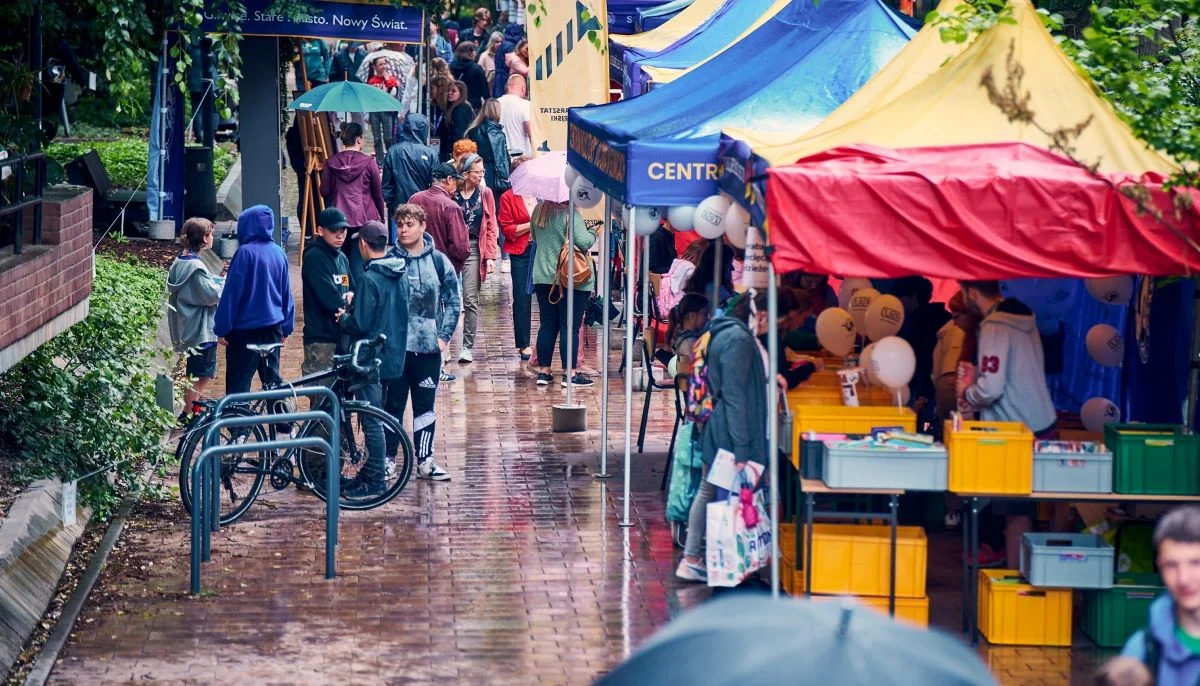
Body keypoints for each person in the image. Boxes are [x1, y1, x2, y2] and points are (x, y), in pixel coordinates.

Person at [958, 279, 1056, 564]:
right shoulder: (1025, 318)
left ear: (972, 293)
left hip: (1015, 431)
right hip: (1042, 422)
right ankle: (1025, 578)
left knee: (1015, 512)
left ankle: (1016, 587)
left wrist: (968, 393)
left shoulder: (994, 326)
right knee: (1029, 511)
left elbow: (991, 387)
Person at [676, 290, 771, 582]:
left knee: (710, 491)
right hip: (728, 434)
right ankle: (709, 558)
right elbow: (734, 396)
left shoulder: (726, 333)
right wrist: (742, 448)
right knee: (716, 494)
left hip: (720, 429)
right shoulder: (738, 340)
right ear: (762, 315)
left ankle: (696, 557)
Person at [387, 204, 463, 481]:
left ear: (423, 226)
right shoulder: (388, 259)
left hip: (428, 348)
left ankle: (425, 460)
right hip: (395, 349)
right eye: (400, 224)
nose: (404, 229)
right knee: (392, 405)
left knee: (425, 407)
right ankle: (388, 459)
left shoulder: (439, 261)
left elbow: (454, 301)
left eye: (409, 224)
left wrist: (443, 337)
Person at [334, 221, 402, 497]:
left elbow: (361, 322)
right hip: (392, 353)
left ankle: (375, 479)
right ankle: (370, 472)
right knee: (378, 414)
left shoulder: (368, 277)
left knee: (371, 418)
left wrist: (345, 317)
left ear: (362, 244)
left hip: (369, 355)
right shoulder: (398, 271)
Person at [214, 205, 294, 395]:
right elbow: (286, 294)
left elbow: (232, 295)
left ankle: (240, 424)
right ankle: (283, 423)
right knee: (273, 381)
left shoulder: (244, 253)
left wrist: (222, 327)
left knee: (239, 383)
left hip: (244, 330)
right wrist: (286, 327)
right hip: (273, 327)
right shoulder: (278, 253)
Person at [1120, 506, 1200, 683]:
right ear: (1160, 567)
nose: (1184, 578)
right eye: (1171, 565)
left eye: (1196, 563)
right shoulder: (1142, 651)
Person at [530, 199, 596, 387]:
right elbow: (583, 242)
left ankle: (544, 372)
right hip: (570, 278)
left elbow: (535, 238)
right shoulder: (570, 214)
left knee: (547, 324)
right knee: (570, 326)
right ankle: (570, 374)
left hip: (543, 276)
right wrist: (593, 231)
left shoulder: (538, 212)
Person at [167, 218, 224, 424]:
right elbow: (211, 295)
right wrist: (225, 285)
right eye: (210, 234)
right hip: (202, 330)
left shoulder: (180, 261)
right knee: (200, 377)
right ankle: (191, 416)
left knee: (195, 373)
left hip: (188, 326)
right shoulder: (196, 267)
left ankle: (192, 412)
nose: (213, 238)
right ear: (203, 239)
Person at [321, 122, 386, 281]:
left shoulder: (331, 162)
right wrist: (381, 219)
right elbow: (378, 194)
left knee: (340, 260)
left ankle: (344, 291)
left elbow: (324, 191)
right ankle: (358, 296)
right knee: (359, 261)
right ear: (359, 139)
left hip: (338, 220)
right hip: (363, 218)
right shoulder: (369, 163)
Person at [452, 153, 499, 364]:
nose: (480, 175)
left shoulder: (485, 193)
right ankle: (443, 345)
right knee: (448, 298)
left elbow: (490, 226)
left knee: (470, 299)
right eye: (476, 172)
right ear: (465, 173)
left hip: (474, 246)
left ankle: (467, 347)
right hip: (452, 247)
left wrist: (489, 256)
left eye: (482, 172)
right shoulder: (452, 192)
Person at [301, 207, 352, 378]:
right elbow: (329, 298)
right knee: (323, 397)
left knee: (342, 395)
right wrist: (347, 308)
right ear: (320, 230)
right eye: (334, 231)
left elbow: (353, 289)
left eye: (343, 230)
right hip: (321, 339)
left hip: (342, 336)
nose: (340, 235)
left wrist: (350, 304)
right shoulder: (314, 257)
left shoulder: (342, 257)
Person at [893, 276, 951, 426]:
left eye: (902, 297)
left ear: (913, 296)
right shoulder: (947, 319)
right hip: (942, 385)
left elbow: (916, 357)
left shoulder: (913, 322)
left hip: (920, 386)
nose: (899, 302)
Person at [498, 155, 535, 361]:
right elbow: (508, 229)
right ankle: (523, 343)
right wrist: (532, 224)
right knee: (522, 297)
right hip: (521, 252)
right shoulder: (508, 197)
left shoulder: (541, 195)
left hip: (541, 250)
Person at [409, 163, 470, 274]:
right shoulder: (451, 206)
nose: (456, 186)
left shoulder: (414, 198)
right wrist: (455, 267)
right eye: (455, 181)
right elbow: (460, 248)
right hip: (444, 268)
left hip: (417, 265)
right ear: (449, 179)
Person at [382, 112, 437, 233]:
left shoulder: (393, 151)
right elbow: (435, 186)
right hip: (422, 208)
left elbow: (387, 184)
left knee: (401, 243)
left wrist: (391, 206)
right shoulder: (431, 154)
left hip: (399, 207)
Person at [466, 99, 512, 193]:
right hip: (493, 173)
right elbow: (501, 159)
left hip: (476, 170)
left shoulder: (473, 131)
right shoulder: (498, 134)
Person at [366, 57, 402, 164]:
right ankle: (380, 162)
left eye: (384, 64)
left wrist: (386, 79)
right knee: (376, 138)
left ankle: (391, 159)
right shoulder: (372, 81)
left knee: (388, 137)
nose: (383, 67)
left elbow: (394, 91)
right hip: (375, 111)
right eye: (380, 64)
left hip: (387, 110)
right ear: (375, 67)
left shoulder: (391, 79)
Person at [665, 292, 709, 376]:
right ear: (692, 316)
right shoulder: (690, 341)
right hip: (695, 385)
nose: (707, 318)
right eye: (704, 314)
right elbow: (699, 369)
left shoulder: (682, 336)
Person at [328, 42, 367, 129]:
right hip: (344, 91)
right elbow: (333, 75)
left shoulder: (364, 55)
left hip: (358, 91)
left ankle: (358, 138)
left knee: (359, 118)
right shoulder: (339, 56)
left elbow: (367, 73)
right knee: (342, 119)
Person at [436, 80, 475, 163]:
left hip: (457, 150)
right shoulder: (453, 107)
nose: (449, 93)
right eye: (449, 90)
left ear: (461, 93)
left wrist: (452, 149)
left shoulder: (460, 110)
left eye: (453, 91)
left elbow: (458, 132)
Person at [497, 73, 531, 157]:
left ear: (507, 87)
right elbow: (532, 134)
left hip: (501, 158)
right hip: (522, 159)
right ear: (523, 89)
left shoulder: (495, 104)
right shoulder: (526, 105)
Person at [450, 42, 489, 113]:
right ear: (470, 53)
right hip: (474, 106)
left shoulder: (451, 67)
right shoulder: (477, 68)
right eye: (474, 51)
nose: (475, 54)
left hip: (455, 104)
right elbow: (485, 90)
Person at [491, 23, 526, 99]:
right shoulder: (511, 47)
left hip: (498, 78)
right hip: (505, 78)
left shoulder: (503, 44)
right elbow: (514, 63)